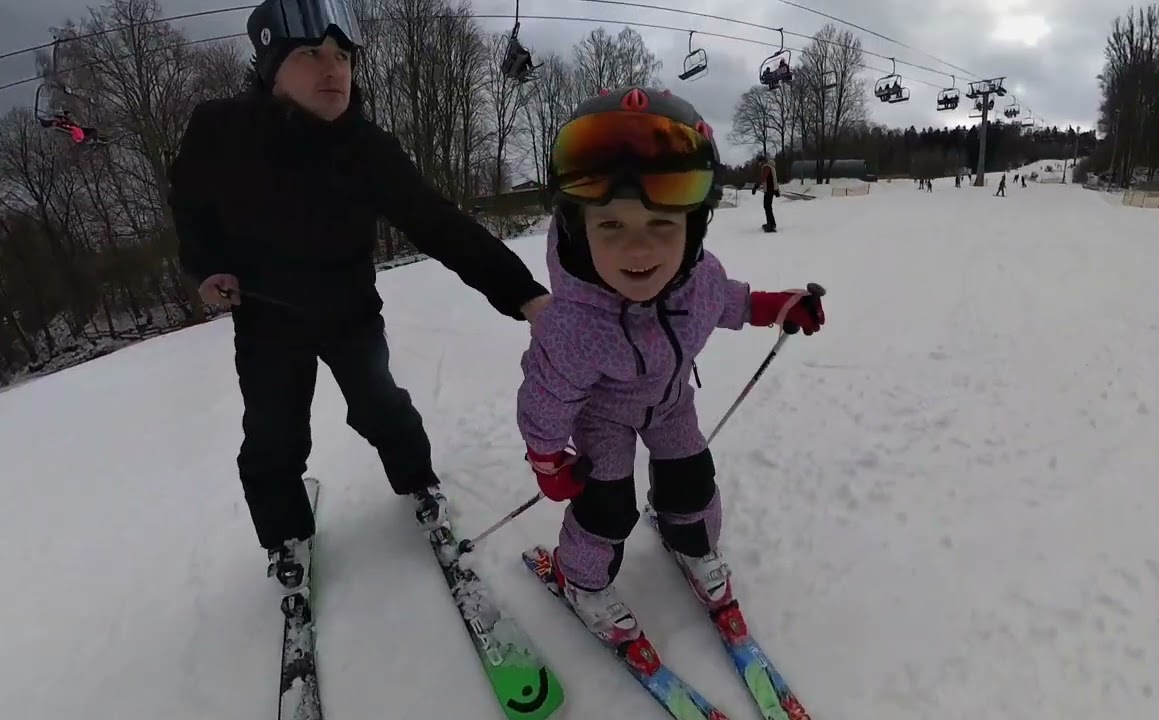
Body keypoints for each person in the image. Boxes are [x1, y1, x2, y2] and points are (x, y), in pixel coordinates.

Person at [167, 0, 552, 594]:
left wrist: (525, 295)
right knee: (273, 434)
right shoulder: (220, 130)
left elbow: (438, 223)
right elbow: (189, 203)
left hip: (348, 310)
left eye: (343, 56)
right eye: (310, 54)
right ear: (272, 70)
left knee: (380, 406)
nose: (333, 69)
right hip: (266, 318)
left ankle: (419, 483)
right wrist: (205, 267)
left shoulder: (367, 147)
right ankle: (285, 536)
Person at [515, 87, 826, 644]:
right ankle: (581, 578)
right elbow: (546, 395)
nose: (638, 252)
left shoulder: (697, 281)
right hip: (602, 418)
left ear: (692, 230)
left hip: (670, 403)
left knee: (691, 482)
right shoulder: (574, 325)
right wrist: (546, 458)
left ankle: (692, 545)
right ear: (580, 232)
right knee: (607, 507)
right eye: (611, 226)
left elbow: (729, 300)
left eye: (661, 225)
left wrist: (777, 305)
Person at [751, 153, 780, 232]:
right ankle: (771, 223)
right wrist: (776, 190)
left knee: (767, 206)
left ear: (762, 161)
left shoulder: (766, 167)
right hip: (771, 189)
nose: (759, 163)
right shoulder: (770, 166)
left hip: (769, 190)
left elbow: (763, 178)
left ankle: (771, 224)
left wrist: (756, 186)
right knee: (768, 206)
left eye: (759, 161)